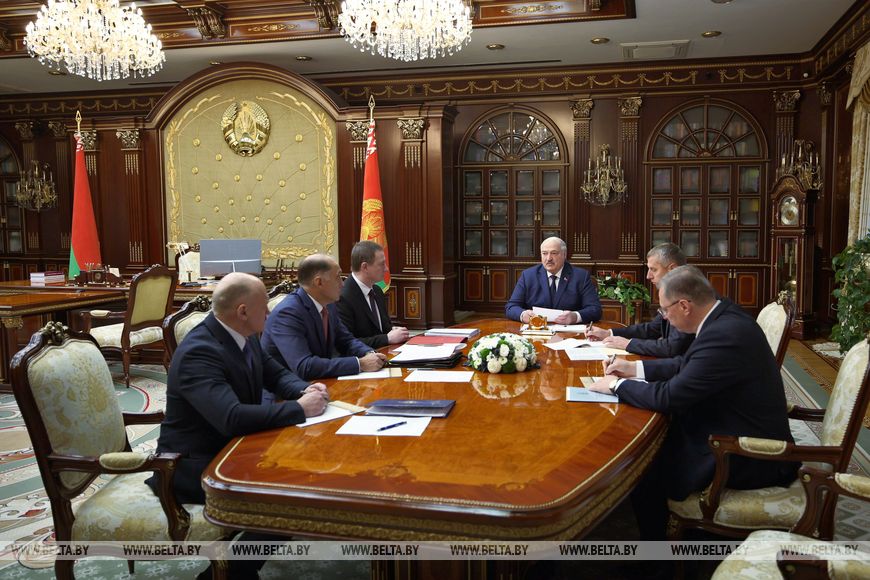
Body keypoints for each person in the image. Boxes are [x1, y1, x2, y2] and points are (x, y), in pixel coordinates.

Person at [588, 265, 798, 540]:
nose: (664, 317)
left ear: (684, 306)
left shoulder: (724, 335)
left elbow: (670, 397)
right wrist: (634, 369)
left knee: (643, 467)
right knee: (649, 445)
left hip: (747, 454)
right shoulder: (723, 315)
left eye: (665, 310)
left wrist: (616, 386)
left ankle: (658, 556)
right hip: (727, 423)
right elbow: (687, 365)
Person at [149, 272, 329, 505]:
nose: (269, 313)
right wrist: (300, 408)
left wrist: (305, 390)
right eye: (264, 307)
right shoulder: (199, 353)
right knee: (295, 489)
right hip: (196, 467)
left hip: (237, 446)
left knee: (309, 466)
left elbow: (276, 374)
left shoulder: (245, 334)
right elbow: (231, 417)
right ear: (243, 312)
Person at [262, 253, 386, 380]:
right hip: (289, 387)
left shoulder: (328, 304)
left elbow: (346, 340)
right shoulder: (287, 314)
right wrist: (360, 364)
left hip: (319, 382)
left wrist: (369, 353)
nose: (342, 284)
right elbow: (304, 366)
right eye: (337, 277)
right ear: (319, 282)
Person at [586, 242, 694, 357]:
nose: (648, 276)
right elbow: (652, 329)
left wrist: (628, 344)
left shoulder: (689, 296)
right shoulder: (676, 291)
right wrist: (608, 333)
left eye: (653, 269)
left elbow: (672, 348)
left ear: (672, 269)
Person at [505, 236, 602, 324]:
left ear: (564, 254)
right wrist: (523, 314)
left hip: (569, 333)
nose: (548, 258)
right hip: (536, 330)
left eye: (554, 253)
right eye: (544, 253)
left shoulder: (581, 276)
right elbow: (511, 307)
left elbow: (595, 309)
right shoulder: (528, 275)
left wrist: (575, 317)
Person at [337, 240, 409, 348]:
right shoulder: (342, 297)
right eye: (382, 264)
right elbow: (346, 343)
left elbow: (383, 328)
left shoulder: (377, 290)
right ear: (365, 267)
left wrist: (393, 330)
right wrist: (387, 338)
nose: (386, 269)